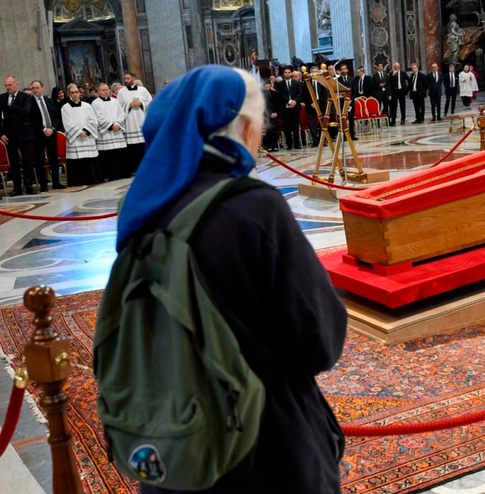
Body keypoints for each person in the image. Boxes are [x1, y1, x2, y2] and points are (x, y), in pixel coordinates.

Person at [113, 65, 347, 494]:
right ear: (240, 128)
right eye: (259, 125)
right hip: (262, 450)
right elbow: (321, 340)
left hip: (174, 448)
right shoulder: (255, 209)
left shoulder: (140, 210)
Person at [0, 76, 36, 196]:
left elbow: (25, 112)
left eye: (10, 85)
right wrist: (1, 134)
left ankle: (29, 186)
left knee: (27, 161)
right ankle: (17, 188)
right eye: (6, 85)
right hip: (9, 135)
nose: (8, 87)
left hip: (24, 133)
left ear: (16, 84)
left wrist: (11, 105)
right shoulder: (2, 98)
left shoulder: (25, 97)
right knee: (14, 163)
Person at [61, 83, 100, 186]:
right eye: (72, 93)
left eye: (76, 92)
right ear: (69, 94)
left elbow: (93, 120)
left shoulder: (87, 106)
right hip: (75, 139)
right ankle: (77, 182)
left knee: (89, 160)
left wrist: (86, 131)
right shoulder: (65, 108)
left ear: (79, 93)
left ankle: (91, 179)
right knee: (76, 161)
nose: (75, 94)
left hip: (87, 137)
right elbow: (67, 123)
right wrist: (79, 132)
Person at [29, 80, 65, 190]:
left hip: (51, 133)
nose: (35, 90)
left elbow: (55, 116)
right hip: (39, 134)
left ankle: (56, 181)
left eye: (37, 88)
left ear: (42, 88)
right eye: (33, 88)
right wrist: (43, 129)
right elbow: (32, 119)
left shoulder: (49, 101)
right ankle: (42, 184)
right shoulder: (30, 102)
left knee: (54, 158)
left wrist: (53, 128)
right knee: (40, 160)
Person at [116, 71, 152, 173]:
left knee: (144, 145)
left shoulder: (143, 90)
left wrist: (141, 103)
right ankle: (135, 168)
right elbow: (118, 107)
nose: (126, 80)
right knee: (133, 148)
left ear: (133, 79)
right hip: (130, 122)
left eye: (128, 78)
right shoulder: (121, 92)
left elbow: (151, 102)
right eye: (125, 79)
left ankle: (147, 167)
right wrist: (129, 105)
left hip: (142, 119)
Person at [92, 82, 128, 180]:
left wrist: (118, 124)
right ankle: (110, 175)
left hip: (117, 131)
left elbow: (122, 113)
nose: (106, 92)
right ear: (99, 92)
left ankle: (122, 173)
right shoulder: (95, 103)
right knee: (109, 156)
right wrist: (111, 126)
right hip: (106, 133)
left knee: (119, 154)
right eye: (103, 90)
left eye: (107, 89)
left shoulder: (115, 101)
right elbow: (98, 117)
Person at [276, 66, 302, 150]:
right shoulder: (280, 84)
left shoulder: (296, 83)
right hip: (285, 107)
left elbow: (299, 93)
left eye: (288, 72)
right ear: (283, 74)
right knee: (287, 126)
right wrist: (289, 101)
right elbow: (280, 95)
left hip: (295, 107)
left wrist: (294, 101)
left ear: (291, 73)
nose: (287, 74)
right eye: (285, 73)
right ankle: (289, 144)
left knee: (295, 125)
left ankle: (296, 143)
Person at [303, 66, 328, 147]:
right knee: (312, 124)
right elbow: (305, 95)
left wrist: (319, 102)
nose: (314, 73)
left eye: (316, 71)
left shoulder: (322, 82)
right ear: (310, 73)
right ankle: (315, 140)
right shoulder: (307, 82)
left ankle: (323, 140)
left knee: (322, 123)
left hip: (321, 105)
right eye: (313, 71)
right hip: (311, 106)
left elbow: (325, 94)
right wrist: (311, 103)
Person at [336, 64, 357, 140]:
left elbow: (354, 91)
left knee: (351, 119)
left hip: (351, 102)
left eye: (344, 69)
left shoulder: (352, 79)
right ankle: (344, 135)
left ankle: (352, 134)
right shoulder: (338, 81)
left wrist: (350, 100)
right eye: (341, 69)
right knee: (343, 119)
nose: (343, 71)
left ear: (347, 70)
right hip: (342, 102)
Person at [263, 80, 283, 151]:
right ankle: (269, 146)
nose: (267, 85)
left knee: (275, 130)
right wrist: (269, 113)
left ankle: (275, 145)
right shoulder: (262, 94)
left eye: (268, 84)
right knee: (268, 130)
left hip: (275, 114)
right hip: (267, 115)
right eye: (266, 84)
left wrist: (276, 112)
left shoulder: (275, 93)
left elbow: (278, 104)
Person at [388, 62, 409, 126]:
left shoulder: (403, 73)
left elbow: (409, 80)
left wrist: (406, 88)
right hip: (394, 92)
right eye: (395, 67)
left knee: (402, 105)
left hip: (401, 91)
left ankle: (403, 119)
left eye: (397, 67)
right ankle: (393, 120)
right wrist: (393, 75)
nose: (396, 68)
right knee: (394, 106)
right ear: (394, 67)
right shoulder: (391, 73)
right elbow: (388, 81)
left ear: (399, 67)